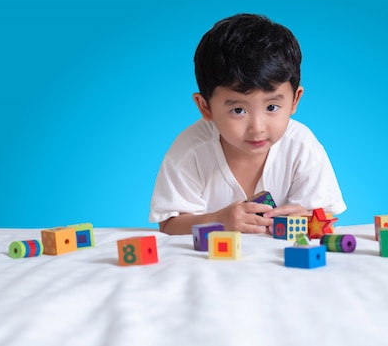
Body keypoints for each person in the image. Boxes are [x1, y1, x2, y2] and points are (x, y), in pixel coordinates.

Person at [149, 13, 347, 235]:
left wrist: (306, 219)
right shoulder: (190, 150)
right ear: (205, 107)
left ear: (294, 100)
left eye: (271, 107)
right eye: (238, 110)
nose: (258, 127)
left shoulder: (301, 146)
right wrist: (218, 221)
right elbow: (169, 226)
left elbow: (325, 220)